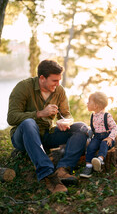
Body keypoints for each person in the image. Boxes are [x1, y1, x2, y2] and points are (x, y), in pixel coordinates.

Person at [7, 59, 88, 194]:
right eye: (54, 81)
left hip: (47, 135)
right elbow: (11, 117)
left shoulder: (59, 91)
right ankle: (49, 175)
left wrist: (65, 122)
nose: (57, 84)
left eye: (59, 80)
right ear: (42, 78)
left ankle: (63, 169)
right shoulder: (23, 87)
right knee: (28, 123)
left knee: (81, 127)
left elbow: (67, 115)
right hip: (23, 137)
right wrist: (39, 113)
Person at [80, 91, 117, 178]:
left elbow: (115, 127)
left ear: (96, 105)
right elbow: (94, 129)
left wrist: (110, 138)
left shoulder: (106, 115)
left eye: (89, 102)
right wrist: (88, 133)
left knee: (104, 144)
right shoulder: (93, 116)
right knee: (91, 147)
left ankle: (100, 159)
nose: (87, 103)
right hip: (96, 137)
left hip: (106, 137)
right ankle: (88, 166)